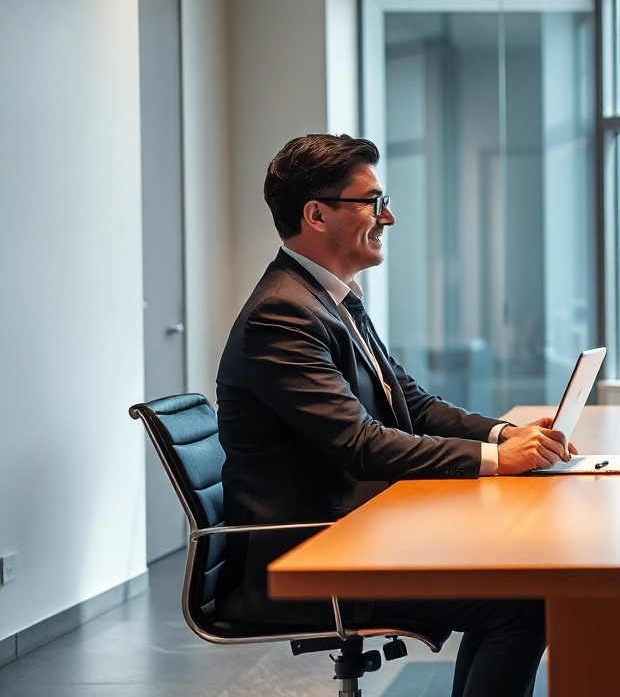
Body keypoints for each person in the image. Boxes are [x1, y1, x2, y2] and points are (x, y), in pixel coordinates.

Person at [215, 134, 571, 697]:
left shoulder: (331, 298)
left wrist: (505, 434)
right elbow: (360, 444)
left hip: (357, 532)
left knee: (518, 587)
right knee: (520, 602)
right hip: (312, 553)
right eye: (372, 201)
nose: (390, 216)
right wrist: (495, 460)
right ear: (316, 214)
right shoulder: (282, 314)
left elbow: (414, 404)